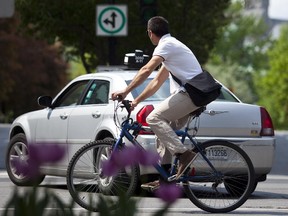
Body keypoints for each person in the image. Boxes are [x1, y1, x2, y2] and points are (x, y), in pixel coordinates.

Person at [111, 16, 202, 191]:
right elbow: (156, 82)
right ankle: (166, 178)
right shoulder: (172, 48)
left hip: (191, 94)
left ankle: (184, 155)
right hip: (192, 95)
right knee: (163, 129)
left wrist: (125, 91)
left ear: (150, 33)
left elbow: (147, 69)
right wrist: (136, 100)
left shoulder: (166, 46)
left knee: (153, 118)